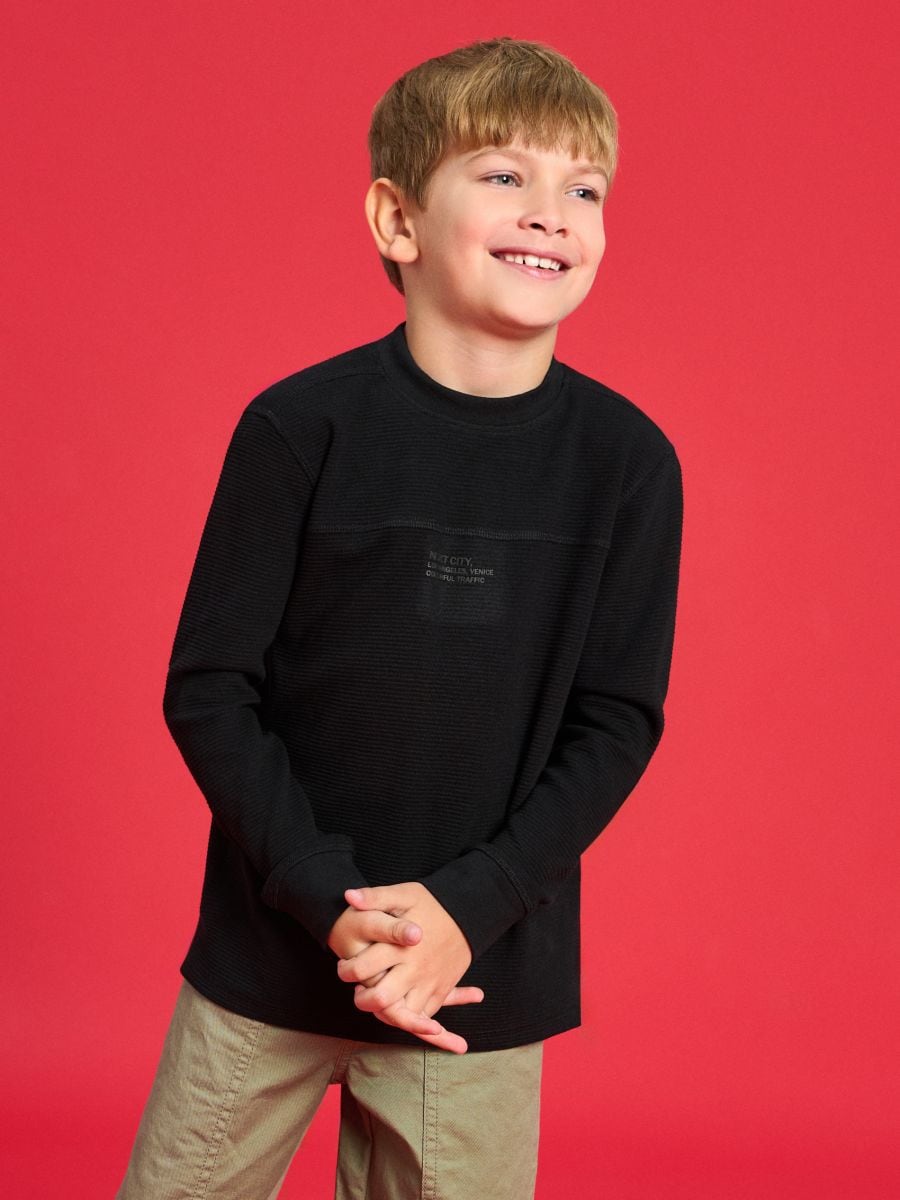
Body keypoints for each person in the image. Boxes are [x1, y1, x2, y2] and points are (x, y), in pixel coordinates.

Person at [116, 35, 683, 1200]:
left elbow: (616, 722)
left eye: (584, 189)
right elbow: (211, 689)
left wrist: (468, 911)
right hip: (272, 960)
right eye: (505, 175)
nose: (552, 212)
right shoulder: (297, 430)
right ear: (397, 219)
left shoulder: (629, 465)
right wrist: (328, 903)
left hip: (476, 977)